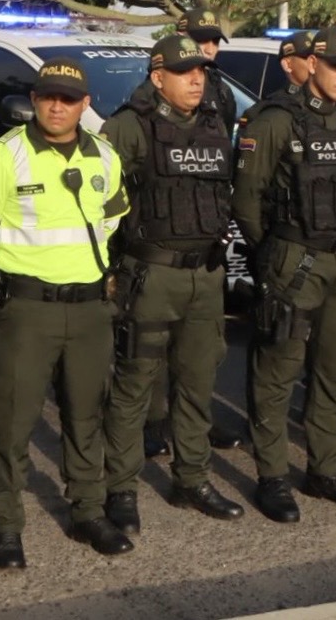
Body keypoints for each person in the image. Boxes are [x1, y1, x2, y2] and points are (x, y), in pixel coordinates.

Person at [0, 57, 132, 569]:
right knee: (12, 420)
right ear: (34, 101)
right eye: (48, 97)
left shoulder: (104, 156)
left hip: (89, 308)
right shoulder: (5, 157)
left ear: (85, 104)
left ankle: (88, 510)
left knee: (86, 414)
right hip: (28, 309)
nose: (57, 107)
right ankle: (5, 523)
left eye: (68, 99)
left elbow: (111, 219)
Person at [232, 26, 336, 523]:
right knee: (277, 370)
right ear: (312, 64)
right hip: (295, 256)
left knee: (334, 370)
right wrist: (273, 251)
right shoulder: (275, 120)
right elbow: (246, 199)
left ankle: (326, 470)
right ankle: (273, 476)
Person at [101, 37, 243, 536]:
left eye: (200, 71)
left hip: (205, 276)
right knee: (134, 385)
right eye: (185, 72)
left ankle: (192, 479)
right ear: (158, 78)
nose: (197, 79)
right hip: (150, 275)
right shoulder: (128, 126)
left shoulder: (214, 124)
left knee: (198, 382)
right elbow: (101, 205)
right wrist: (110, 275)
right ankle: (120, 488)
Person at [177, 8, 237, 128]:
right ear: (180, 37)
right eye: (202, 40)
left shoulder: (223, 92)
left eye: (215, 41)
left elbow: (225, 138)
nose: (210, 50)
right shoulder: (159, 87)